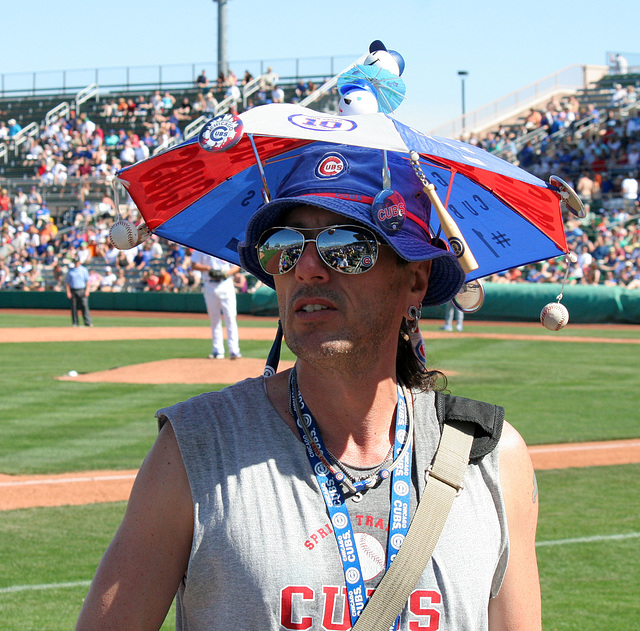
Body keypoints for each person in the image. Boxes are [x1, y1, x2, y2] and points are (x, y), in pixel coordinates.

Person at [77, 143, 540, 630]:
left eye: (348, 246)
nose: (308, 268)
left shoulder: (490, 456)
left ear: (416, 279)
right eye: (285, 246)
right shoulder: (195, 450)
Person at [190, 250, 242, 359]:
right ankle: (217, 351)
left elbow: (237, 266)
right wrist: (208, 269)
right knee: (214, 320)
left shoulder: (225, 244)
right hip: (209, 284)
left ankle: (234, 350)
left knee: (231, 318)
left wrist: (226, 273)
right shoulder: (201, 246)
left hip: (226, 284)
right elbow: (193, 264)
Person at [65, 256, 92, 327]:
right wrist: (68, 292)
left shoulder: (84, 270)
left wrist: (87, 290)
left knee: (84, 306)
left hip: (82, 290)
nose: (76, 263)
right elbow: (67, 283)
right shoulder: (71, 271)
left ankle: (88, 322)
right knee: (74, 307)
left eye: (77, 262)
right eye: (75, 262)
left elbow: (87, 281)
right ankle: (75, 323)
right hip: (73, 290)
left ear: (79, 262)